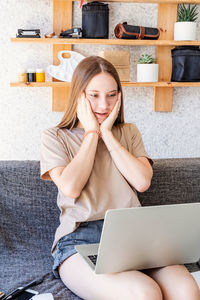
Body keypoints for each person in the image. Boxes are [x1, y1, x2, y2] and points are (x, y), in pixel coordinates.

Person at [40, 56, 200, 300]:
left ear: (120, 96)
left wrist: (108, 135)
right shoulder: (55, 137)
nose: (104, 105)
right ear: (79, 95)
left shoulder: (128, 132)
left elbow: (142, 182)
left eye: (111, 95)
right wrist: (92, 132)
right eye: (94, 95)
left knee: (186, 290)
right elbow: (71, 187)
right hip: (79, 240)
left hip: (134, 236)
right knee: (144, 293)